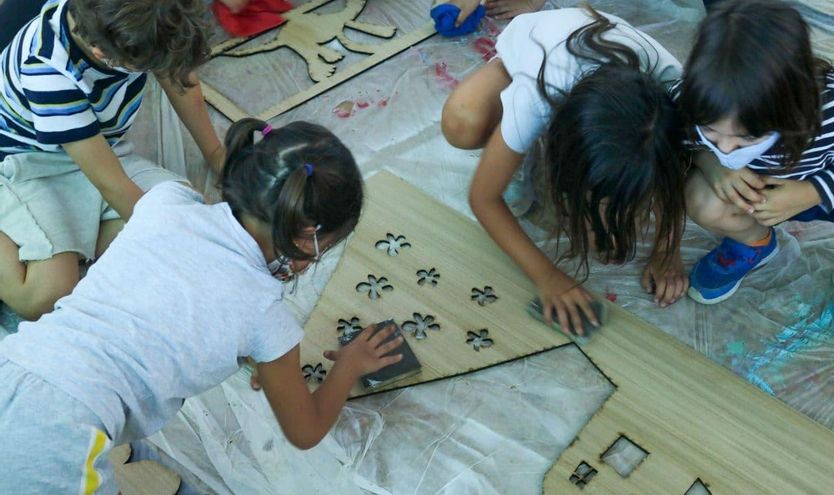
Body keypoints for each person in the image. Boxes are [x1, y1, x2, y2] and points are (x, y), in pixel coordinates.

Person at [0, 118, 403, 493]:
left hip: (15, 363)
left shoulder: (165, 199)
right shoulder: (267, 318)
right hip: (61, 431)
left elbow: (176, 292)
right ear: (309, 240)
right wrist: (349, 364)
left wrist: (253, 355)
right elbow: (305, 430)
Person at [442, 7, 688, 335]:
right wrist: (547, 276)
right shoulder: (537, 97)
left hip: (603, 53)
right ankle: (507, 89)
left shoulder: (677, 101)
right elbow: (483, 198)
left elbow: (678, 179)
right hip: (536, 45)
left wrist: (667, 248)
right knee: (462, 123)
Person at [0, 0, 226, 319]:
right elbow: (112, 183)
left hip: (101, 148)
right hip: (29, 164)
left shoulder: (138, 19)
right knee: (47, 295)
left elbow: (178, 77)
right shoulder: (47, 69)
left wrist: (216, 154)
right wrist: (175, 243)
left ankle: (79, 236)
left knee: (196, 218)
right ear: (102, 54)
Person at [681, 0, 834, 358]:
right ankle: (752, 242)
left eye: (746, 139)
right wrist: (709, 162)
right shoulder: (691, 99)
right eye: (711, 133)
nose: (727, 148)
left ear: (792, 104)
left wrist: (815, 190)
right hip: (753, 199)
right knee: (699, 195)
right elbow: (677, 138)